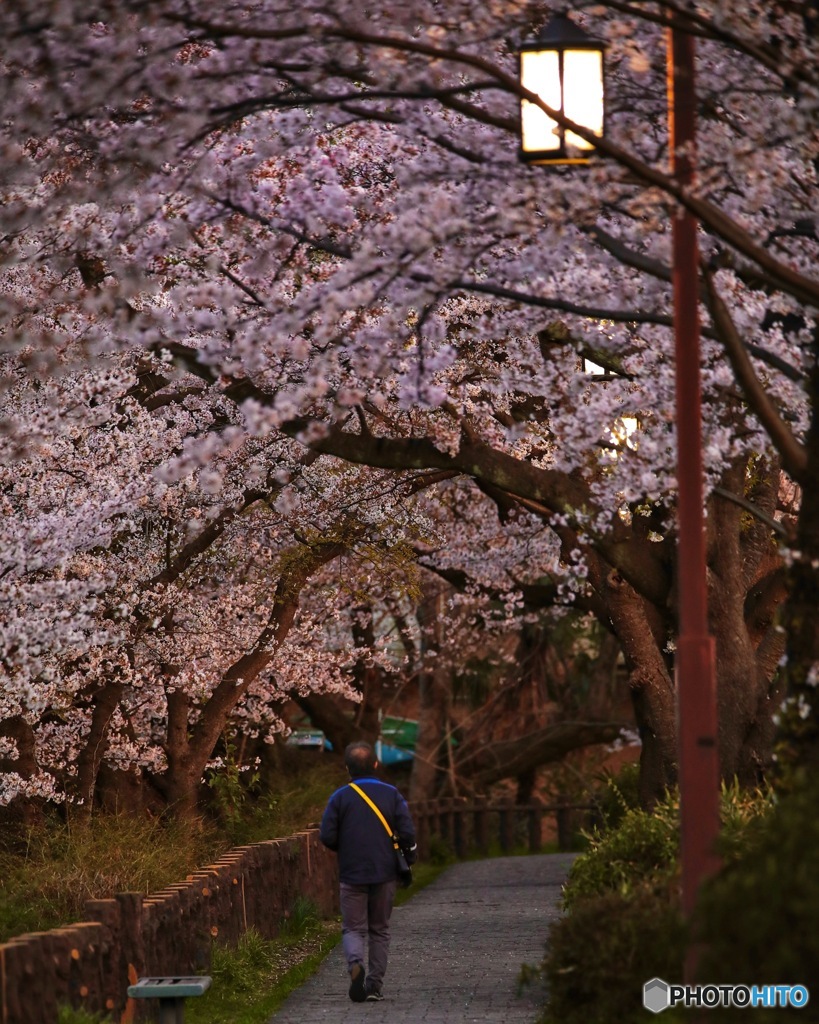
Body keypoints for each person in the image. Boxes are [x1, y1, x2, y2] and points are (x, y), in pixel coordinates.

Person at [320, 740, 417, 1002]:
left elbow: (326, 835)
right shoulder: (392, 794)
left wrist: (347, 845)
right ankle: (373, 985)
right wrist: (409, 857)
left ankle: (355, 964)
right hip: (384, 872)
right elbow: (407, 832)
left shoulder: (340, 797)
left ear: (347, 768)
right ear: (375, 764)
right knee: (380, 929)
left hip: (352, 872)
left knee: (353, 928)